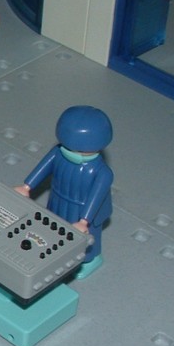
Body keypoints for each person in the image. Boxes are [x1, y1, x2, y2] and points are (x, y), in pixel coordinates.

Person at [15, 106, 114, 279]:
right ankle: (55, 252)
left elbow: (96, 197)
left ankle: (89, 260)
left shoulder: (101, 172)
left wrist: (84, 220)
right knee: (52, 228)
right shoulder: (58, 154)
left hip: (84, 209)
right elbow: (43, 168)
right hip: (58, 199)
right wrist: (27, 186)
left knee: (88, 238)